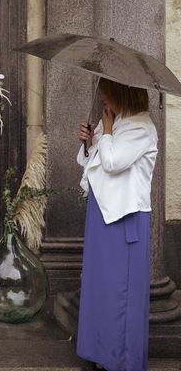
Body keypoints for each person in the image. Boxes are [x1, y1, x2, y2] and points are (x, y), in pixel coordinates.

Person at [75, 78, 157, 371]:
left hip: (124, 218)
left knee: (121, 292)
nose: (103, 103)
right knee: (101, 288)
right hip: (102, 213)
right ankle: (102, 354)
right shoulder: (114, 121)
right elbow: (90, 163)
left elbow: (112, 163)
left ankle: (123, 361)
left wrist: (105, 133)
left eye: (107, 96)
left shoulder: (141, 127)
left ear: (124, 94)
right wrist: (89, 141)